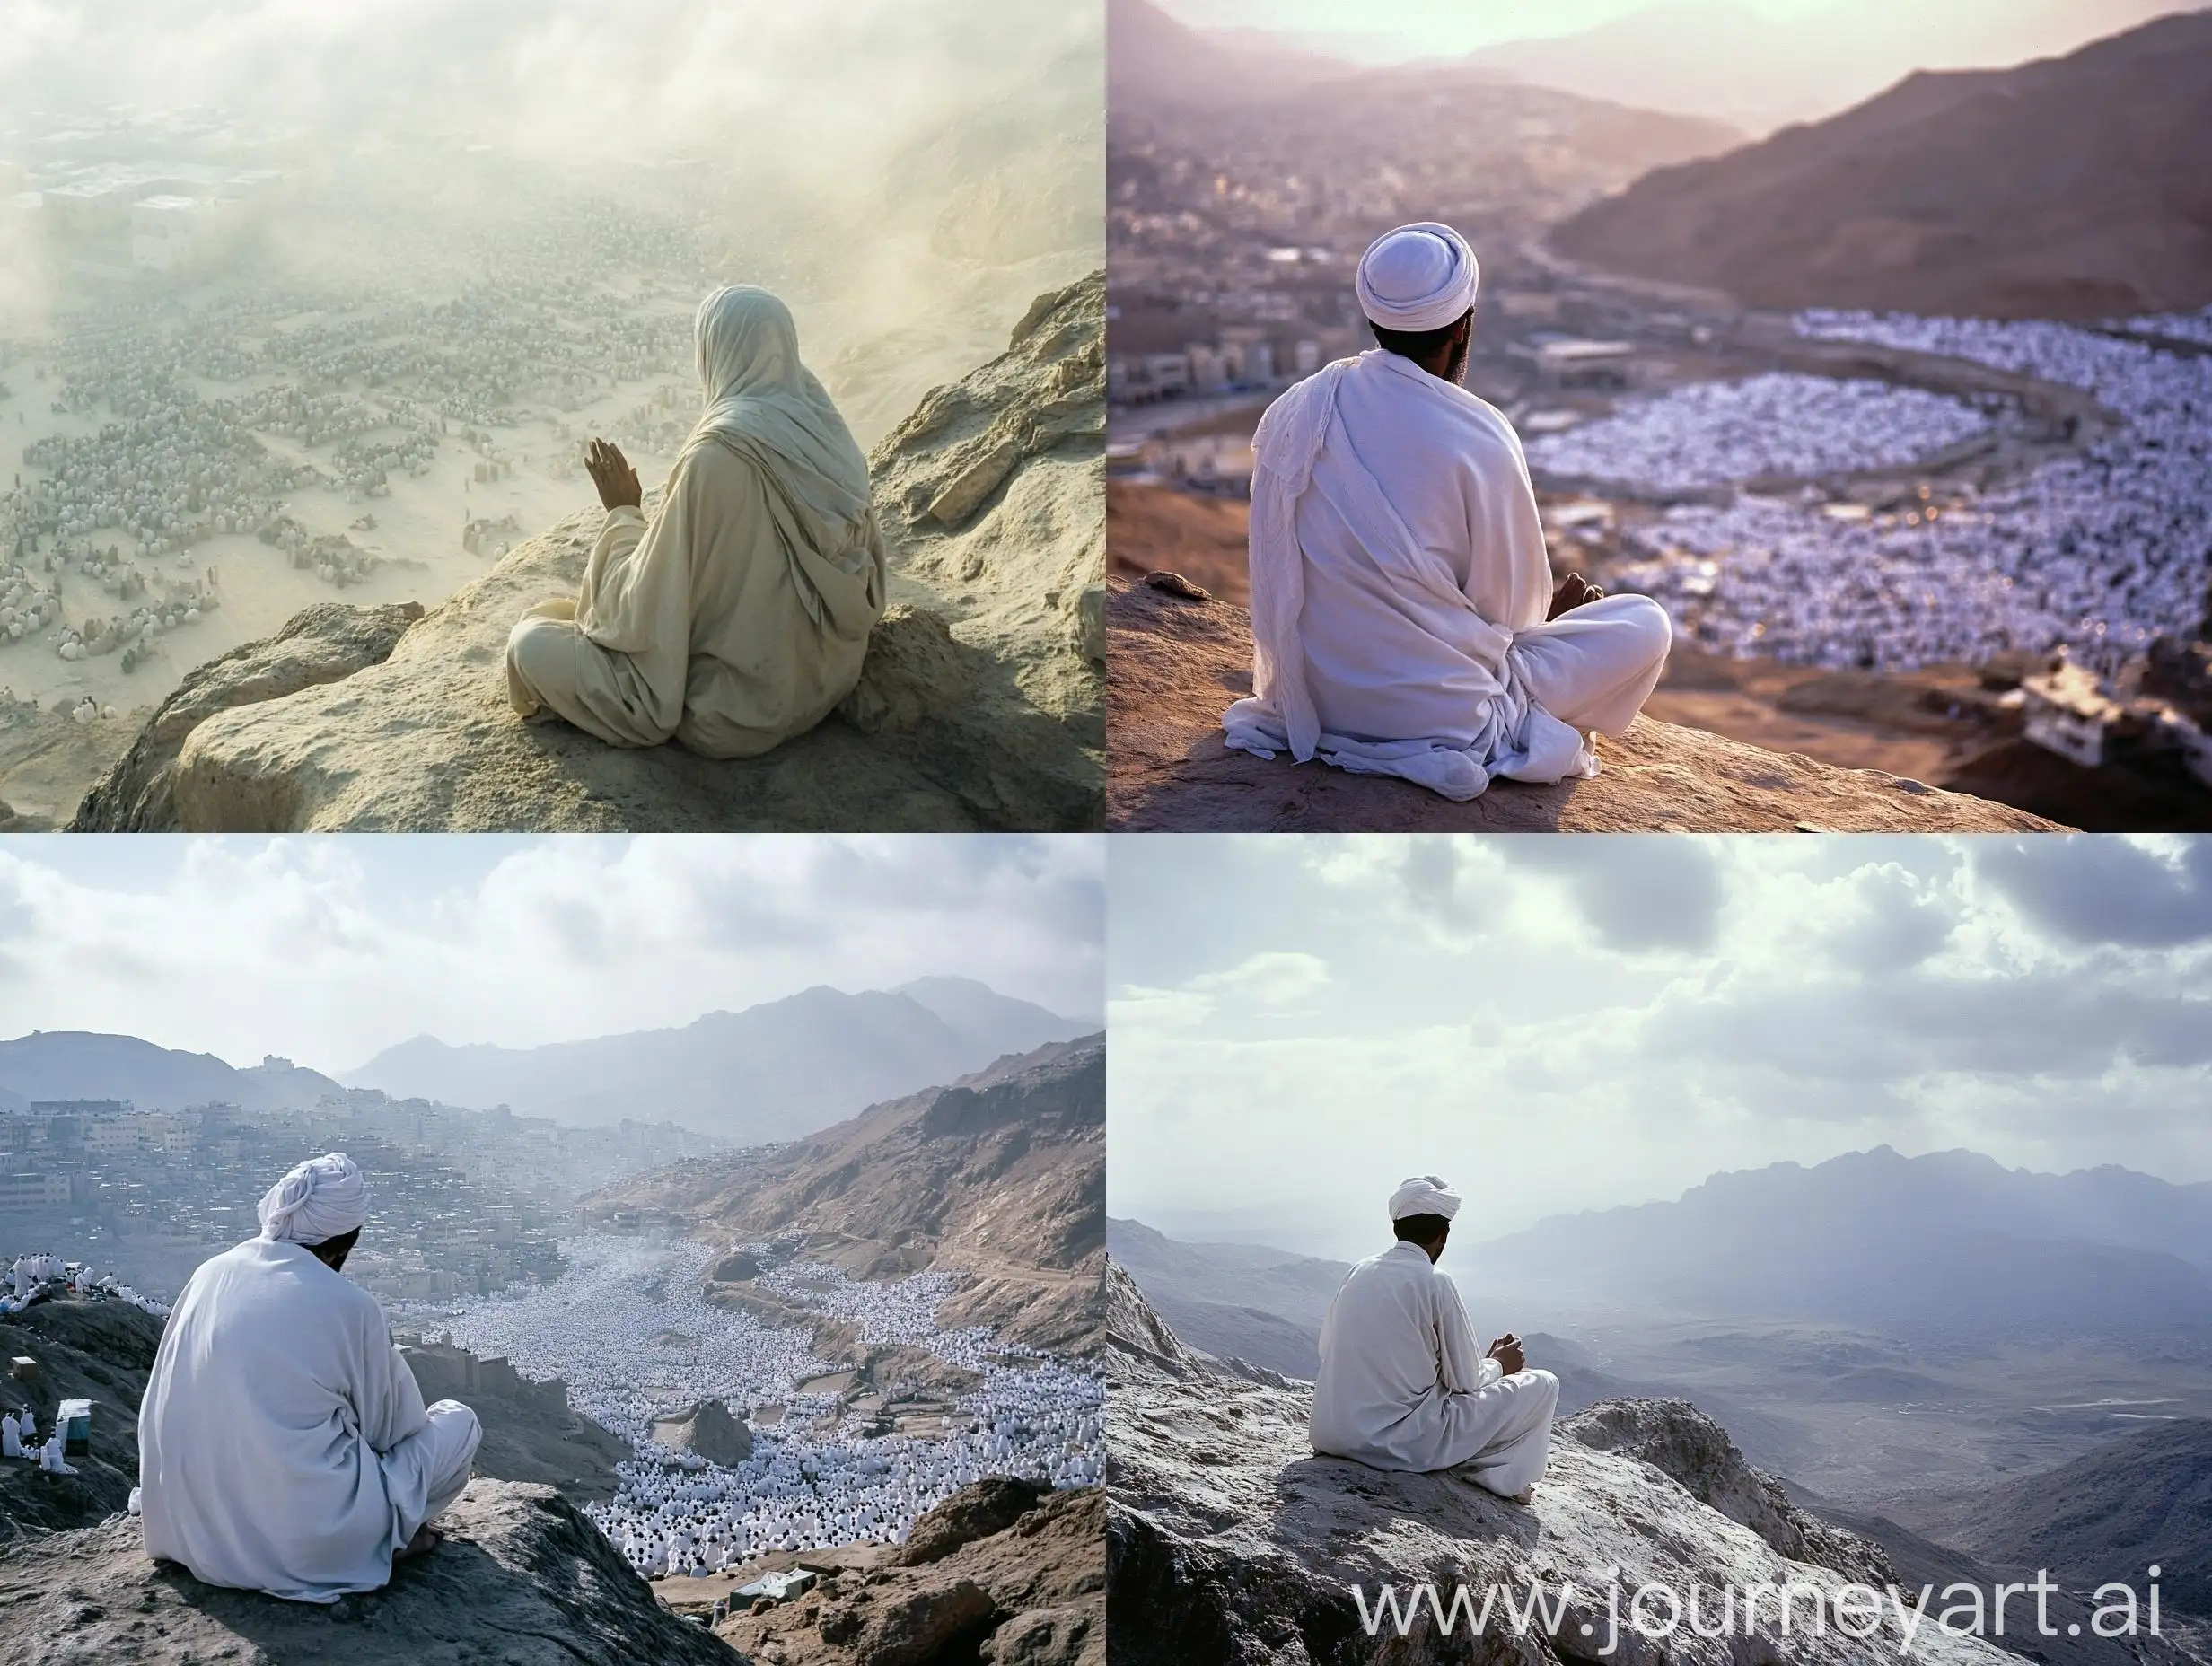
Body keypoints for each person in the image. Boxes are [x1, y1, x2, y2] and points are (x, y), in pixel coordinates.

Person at [1225, 222, 1673, 802]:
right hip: (1441, 718)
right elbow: (1509, 615)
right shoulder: (1477, 433)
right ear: (1464, 326)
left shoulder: (1297, 408)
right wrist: (1552, 619)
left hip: (1311, 700)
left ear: (1374, 318)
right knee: (1643, 622)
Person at [505, 285, 888, 758]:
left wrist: (623, 513)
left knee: (532, 638)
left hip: (736, 713)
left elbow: (638, 611)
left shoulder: (717, 454)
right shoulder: (824, 427)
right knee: (560, 615)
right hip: (824, 682)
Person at [137, 1153, 482, 1604]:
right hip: (305, 1548)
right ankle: (385, 1543)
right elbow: (394, 1432)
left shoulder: (210, 1273)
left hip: (187, 1530)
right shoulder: (348, 1305)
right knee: (458, 1421)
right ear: (345, 1241)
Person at [1310, 1175, 1558, 1503]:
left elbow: (1326, 1348)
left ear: (1396, 1227)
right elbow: (1466, 1382)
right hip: (1396, 1445)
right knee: (1543, 1383)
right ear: (1444, 1235)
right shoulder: (1435, 1281)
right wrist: (1498, 1364)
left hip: (1333, 1434)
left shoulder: (1359, 1270)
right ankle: (1500, 1477)